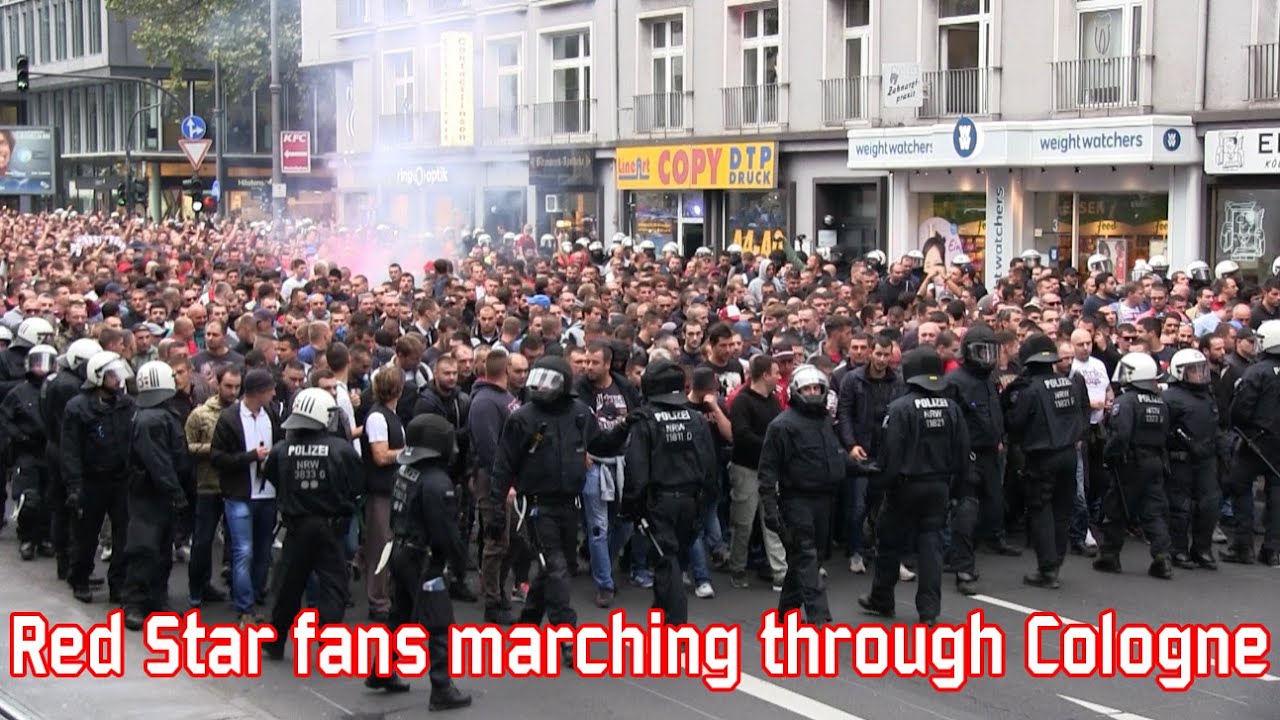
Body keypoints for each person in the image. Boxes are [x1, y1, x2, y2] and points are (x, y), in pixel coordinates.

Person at [488, 355, 598, 666]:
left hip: (569, 504)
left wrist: (627, 428)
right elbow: (502, 465)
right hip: (535, 507)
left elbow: (600, 443)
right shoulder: (522, 417)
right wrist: (496, 511)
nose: (541, 387)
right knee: (557, 567)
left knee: (553, 568)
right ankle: (567, 637)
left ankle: (527, 626)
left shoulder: (579, 412)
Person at [858, 347, 969, 625]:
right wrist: (958, 489)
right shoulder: (951, 408)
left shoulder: (899, 408)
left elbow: (890, 454)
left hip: (905, 487)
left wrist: (881, 484)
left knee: (889, 543)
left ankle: (882, 598)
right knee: (931, 546)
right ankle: (929, 612)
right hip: (939, 485)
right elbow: (963, 452)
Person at [372, 413, 472, 710]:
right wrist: (459, 562)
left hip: (401, 551)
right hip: (424, 559)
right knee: (439, 623)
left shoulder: (405, 471)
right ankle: (441, 688)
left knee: (400, 615)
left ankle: (382, 671)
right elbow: (445, 531)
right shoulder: (437, 482)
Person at [263, 388, 363, 659]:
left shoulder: (281, 450)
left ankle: (276, 639)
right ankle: (329, 641)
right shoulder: (341, 450)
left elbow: (272, 477)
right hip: (330, 527)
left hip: (296, 526)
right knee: (334, 585)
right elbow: (356, 485)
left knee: (287, 586)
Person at [620, 359, 717, 625]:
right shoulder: (696, 419)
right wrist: (707, 501)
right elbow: (710, 464)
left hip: (659, 502)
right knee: (674, 562)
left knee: (667, 565)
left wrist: (630, 507)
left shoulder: (645, 421)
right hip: (691, 502)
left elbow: (636, 470)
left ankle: (675, 628)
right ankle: (662, 619)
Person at [758, 363, 845, 624]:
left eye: (816, 387)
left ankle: (786, 613)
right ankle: (820, 618)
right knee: (807, 556)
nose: (812, 392)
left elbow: (834, 456)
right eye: (806, 388)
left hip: (825, 500)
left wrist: (861, 467)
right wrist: (770, 509)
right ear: (796, 391)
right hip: (797, 501)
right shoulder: (781, 426)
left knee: (808, 557)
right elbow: (767, 471)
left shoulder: (824, 421)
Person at [1003, 334, 1088, 589]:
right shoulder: (1068, 383)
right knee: (1062, 511)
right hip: (1069, 454)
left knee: (1041, 510)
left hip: (1042, 457)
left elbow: (1015, 424)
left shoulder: (1029, 390)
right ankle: (1056, 563)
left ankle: (1047, 568)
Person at [122, 361, 193, 630]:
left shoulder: (159, 413)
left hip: (160, 493)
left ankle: (155, 599)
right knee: (145, 548)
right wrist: (176, 491)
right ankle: (135, 602)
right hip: (151, 494)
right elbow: (158, 462)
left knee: (162, 549)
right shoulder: (153, 418)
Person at [63, 351, 135, 603]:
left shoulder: (126, 404)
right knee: (86, 534)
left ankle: (119, 584)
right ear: (98, 376)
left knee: (123, 534)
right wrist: (74, 485)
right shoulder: (77, 408)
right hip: (91, 480)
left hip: (120, 479)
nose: (118, 380)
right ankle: (80, 578)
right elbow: (70, 449)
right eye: (112, 375)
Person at [1094, 352, 1175, 579]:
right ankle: (1162, 557)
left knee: (1116, 507)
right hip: (1155, 461)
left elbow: (1120, 435)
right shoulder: (1160, 401)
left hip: (1130, 463)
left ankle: (1110, 556)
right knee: (1154, 511)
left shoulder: (1125, 401)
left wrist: (1108, 455)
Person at [211, 368, 282, 625]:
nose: (274, 394)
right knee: (243, 550)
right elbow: (217, 457)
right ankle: (245, 606)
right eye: (270, 390)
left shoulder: (271, 415)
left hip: (267, 494)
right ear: (257, 393)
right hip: (240, 494)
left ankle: (255, 594)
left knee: (263, 550)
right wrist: (251, 457)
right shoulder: (229, 419)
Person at [944, 324, 1007, 596]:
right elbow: (950, 422)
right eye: (982, 351)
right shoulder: (955, 382)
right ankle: (963, 569)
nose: (987, 357)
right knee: (966, 511)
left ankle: (958, 555)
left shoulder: (989, 379)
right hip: (966, 455)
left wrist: (1000, 436)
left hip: (991, 452)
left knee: (993, 507)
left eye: (991, 351)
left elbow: (994, 412)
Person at [42, 338, 103, 580]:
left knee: (62, 506)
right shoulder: (69, 386)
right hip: (65, 450)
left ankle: (66, 562)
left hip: (56, 447)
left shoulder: (57, 380)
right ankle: (68, 563)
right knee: (70, 507)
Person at [1221, 319, 1280, 566]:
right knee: (1277, 493)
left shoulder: (1257, 371)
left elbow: (1241, 408)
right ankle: (1272, 549)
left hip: (1255, 440)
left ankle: (1243, 546)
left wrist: (1239, 426)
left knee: (1240, 485)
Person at [184, 365, 239, 607]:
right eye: (228, 386)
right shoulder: (201, 414)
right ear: (217, 384)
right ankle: (197, 587)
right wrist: (214, 449)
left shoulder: (242, 412)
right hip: (208, 484)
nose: (233, 392)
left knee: (237, 542)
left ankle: (238, 588)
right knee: (203, 540)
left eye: (237, 387)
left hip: (236, 486)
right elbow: (186, 446)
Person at [1163, 348, 1221, 570]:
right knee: (1180, 507)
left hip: (1206, 459)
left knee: (1209, 504)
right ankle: (1178, 550)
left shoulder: (1207, 395)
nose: (1201, 375)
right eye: (1194, 371)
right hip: (1180, 459)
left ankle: (1202, 549)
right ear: (1180, 372)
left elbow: (1216, 425)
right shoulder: (1170, 397)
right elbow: (1165, 431)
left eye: (1202, 369)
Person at [1, 344, 57, 560]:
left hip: (49, 451)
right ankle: (27, 537)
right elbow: (5, 418)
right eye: (37, 363)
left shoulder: (56, 389)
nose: (41, 369)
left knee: (49, 498)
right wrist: (18, 436)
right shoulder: (19, 392)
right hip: (27, 452)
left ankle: (44, 537)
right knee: (29, 499)